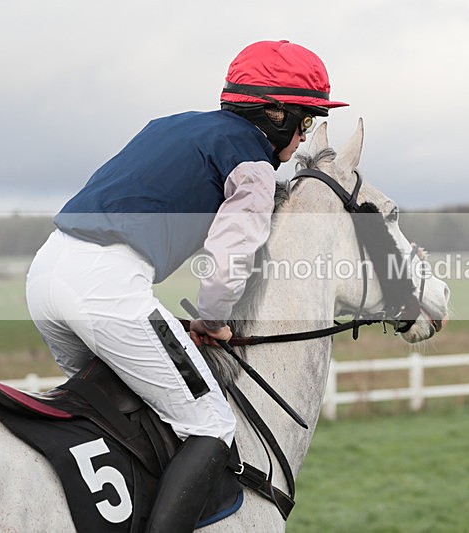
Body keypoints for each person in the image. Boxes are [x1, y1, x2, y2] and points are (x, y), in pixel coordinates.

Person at [25, 40, 347, 532]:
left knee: (117, 413)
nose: (304, 137)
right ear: (276, 113)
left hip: (46, 273)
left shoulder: (170, 125)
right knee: (212, 424)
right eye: (305, 122)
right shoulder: (253, 167)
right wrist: (211, 319)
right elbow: (230, 255)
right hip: (105, 289)